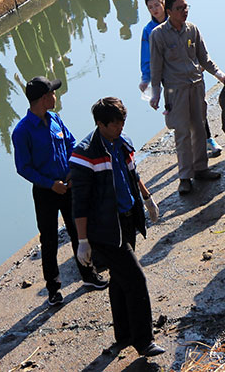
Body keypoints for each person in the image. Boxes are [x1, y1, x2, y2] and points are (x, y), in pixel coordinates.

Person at [71, 97, 164, 359]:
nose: (120, 128)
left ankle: (123, 335)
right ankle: (144, 341)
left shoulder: (122, 143)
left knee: (120, 281)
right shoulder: (85, 155)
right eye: (114, 125)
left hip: (125, 219)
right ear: (100, 124)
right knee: (136, 280)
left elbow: (133, 174)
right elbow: (79, 201)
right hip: (104, 229)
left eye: (122, 122)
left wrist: (147, 198)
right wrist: (82, 241)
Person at [13, 77, 109, 306]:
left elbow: (71, 143)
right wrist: (50, 184)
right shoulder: (22, 131)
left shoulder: (55, 118)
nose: (56, 97)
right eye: (52, 94)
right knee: (49, 240)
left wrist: (71, 172)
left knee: (79, 232)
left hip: (68, 185)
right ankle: (53, 288)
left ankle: (88, 275)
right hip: (46, 192)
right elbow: (23, 167)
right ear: (44, 98)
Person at [149, 0, 225, 194]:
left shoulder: (192, 29)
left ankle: (201, 168)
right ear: (168, 12)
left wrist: (220, 75)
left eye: (186, 7)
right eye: (179, 8)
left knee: (200, 128)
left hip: (196, 85)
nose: (184, 12)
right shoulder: (158, 35)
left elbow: (204, 57)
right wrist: (156, 93)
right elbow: (156, 67)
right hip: (175, 90)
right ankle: (185, 176)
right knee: (182, 132)